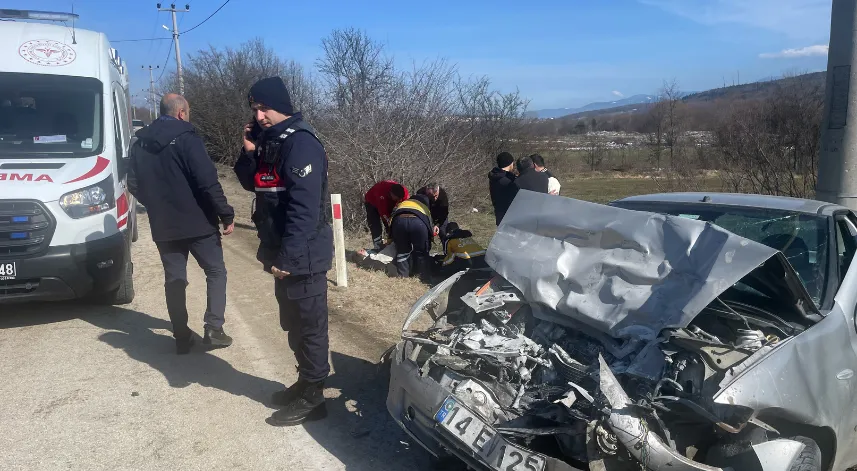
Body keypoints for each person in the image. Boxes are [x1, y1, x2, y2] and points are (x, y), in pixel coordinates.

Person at [233, 76, 333, 427]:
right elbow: (251, 183)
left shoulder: (301, 143)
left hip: (303, 254)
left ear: (283, 106)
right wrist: (249, 150)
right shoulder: (270, 141)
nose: (259, 116)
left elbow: (304, 211)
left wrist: (289, 258)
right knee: (292, 322)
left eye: (264, 108)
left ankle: (314, 397)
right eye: (255, 109)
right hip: (282, 250)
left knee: (309, 324)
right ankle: (305, 381)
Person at [127, 93, 235, 355]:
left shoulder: (139, 143)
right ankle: (213, 328)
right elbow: (207, 181)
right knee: (216, 271)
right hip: (198, 222)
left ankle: (181, 336)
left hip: (164, 225)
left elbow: (132, 183)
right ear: (181, 113)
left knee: (175, 279)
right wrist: (225, 214)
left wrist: (155, 204)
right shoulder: (187, 138)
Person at [390, 193, 433, 280]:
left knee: (402, 251)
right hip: (418, 223)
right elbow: (429, 227)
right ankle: (422, 277)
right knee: (421, 251)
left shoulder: (402, 203)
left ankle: (403, 276)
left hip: (399, 222)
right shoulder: (424, 207)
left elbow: (391, 220)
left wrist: (390, 237)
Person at [364, 181, 408, 250]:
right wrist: (389, 224)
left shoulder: (404, 192)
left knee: (395, 222)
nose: (398, 200)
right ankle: (378, 245)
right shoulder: (381, 193)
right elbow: (384, 214)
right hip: (372, 202)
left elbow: (406, 206)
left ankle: (395, 243)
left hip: (388, 200)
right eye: (397, 199)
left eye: (400, 199)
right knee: (376, 224)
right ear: (391, 194)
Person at [488, 152, 518, 226]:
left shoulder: (495, 176)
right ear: (510, 163)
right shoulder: (507, 181)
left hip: (499, 214)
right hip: (509, 217)